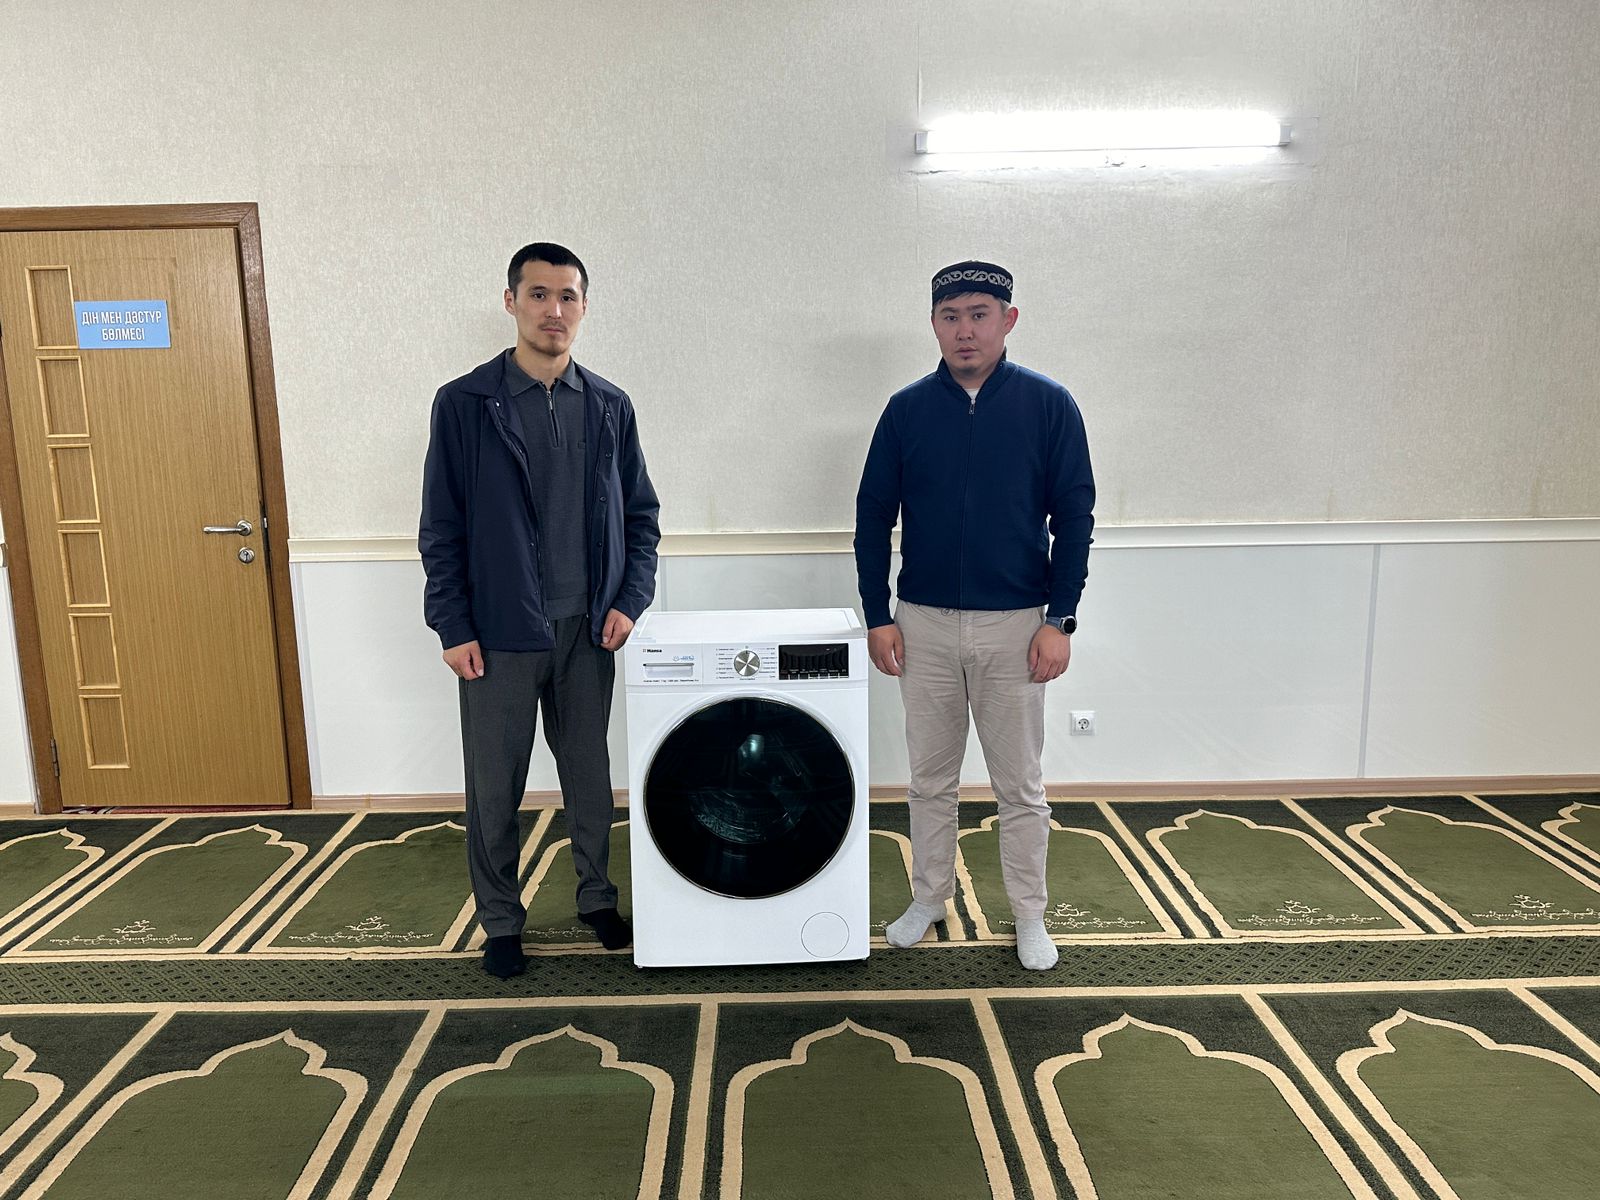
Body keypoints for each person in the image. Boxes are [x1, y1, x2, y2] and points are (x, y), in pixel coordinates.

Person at [420, 242, 661, 978]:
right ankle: (501, 922)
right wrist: (453, 624)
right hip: (499, 635)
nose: (554, 310)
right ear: (511, 302)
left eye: (568, 296)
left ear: (583, 307)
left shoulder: (610, 405)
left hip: (589, 631)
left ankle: (597, 899)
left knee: (589, 777)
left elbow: (642, 518)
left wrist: (630, 601)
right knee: (495, 787)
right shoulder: (464, 404)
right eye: (538, 294)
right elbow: (441, 527)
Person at [854, 260, 1094, 971]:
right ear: (933, 324)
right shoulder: (905, 410)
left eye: (979, 315)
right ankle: (929, 897)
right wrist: (877, 614)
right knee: (930, 779)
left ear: (1008, 320)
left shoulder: (1049, 405)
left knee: (1020, 786)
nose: (965, 330)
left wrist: (1061, 618)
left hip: (1017, 625)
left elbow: (1074, 519)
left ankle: (1029, 915)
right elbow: (872, 517)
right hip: (921, 624)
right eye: (950, 316)